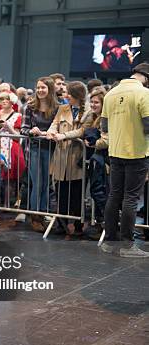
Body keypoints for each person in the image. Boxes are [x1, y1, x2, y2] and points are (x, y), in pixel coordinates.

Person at [100, 62, 149, 257]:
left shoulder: (110, 94)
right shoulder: (144, 94)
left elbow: (104, 126)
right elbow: (148, 125)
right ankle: (128, 246)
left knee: (114, 196)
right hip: (136, 152)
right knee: (131, 198)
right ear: (146, 77)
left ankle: (110, 242)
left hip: (115, 151)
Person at [47, 81, 89, 239]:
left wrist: (64, 135)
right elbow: (55, 124)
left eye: (69, 94)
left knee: (77, 193)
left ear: (78, 96)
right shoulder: (63, 108)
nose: (66, 96)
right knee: (61, 192)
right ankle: (61, 224)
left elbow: (82, 130)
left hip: (76, 157)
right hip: (61, 156)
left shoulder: (88, 111)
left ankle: (78, 225)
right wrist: (51, 132)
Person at [21, 77, 58, 232]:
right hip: (34, 149)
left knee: (46, 184)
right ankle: (35, 216)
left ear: (50, 89)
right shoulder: (29, 107)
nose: (40, 90)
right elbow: (23, 129)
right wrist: (32, 131)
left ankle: (42, 213)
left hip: (51, 149)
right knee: (37, 183)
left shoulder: (57, 107)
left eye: (43, 87)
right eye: (38, 87)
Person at [81, 87, 109, 240]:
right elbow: (81, 131)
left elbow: (106, 141)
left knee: (100, 193)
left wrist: (93, 144)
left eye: (96, 102)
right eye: (91, 101)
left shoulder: (106, 119)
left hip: (103, 161)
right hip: (96, 160)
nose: (93, 104)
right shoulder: (91, 117)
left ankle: (107, 225)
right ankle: (102, 224)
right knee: (97, 192)